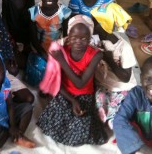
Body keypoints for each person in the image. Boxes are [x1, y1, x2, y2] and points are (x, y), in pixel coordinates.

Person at [37, 15, 107, 146]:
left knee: (81, 121)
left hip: (84, 94)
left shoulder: (96, 55)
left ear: (90, 38)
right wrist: (72, 100)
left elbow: (80, 84)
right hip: (65, 92)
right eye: (74, 38)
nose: (78, 42)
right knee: (55, 115)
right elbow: (57, 81)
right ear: (68, 37)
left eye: (84, 38)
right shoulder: (61, 50)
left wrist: (62, 61)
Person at [26, 0, 71, 86]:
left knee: (64, 70)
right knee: (35, 74)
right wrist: (42, 52)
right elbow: (32, 37)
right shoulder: (33, 12)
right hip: (38, 48)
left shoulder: (64, 13)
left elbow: (66, 36)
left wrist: (60, 53)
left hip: (57, 48)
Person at [114, 56, 152, 154]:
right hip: (137, 139)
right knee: (121, 123)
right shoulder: (135, 94)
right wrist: (143, 148)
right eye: (148, 79)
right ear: (141, 78)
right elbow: (119, 119)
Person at [2, 0, 35, 68]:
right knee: (13, 60)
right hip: (13, 37)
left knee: (29, 60)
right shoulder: (6, 0)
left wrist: (30, 42)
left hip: (27, 36)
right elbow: (5, 21)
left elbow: (32, 19)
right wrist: (10, 39)